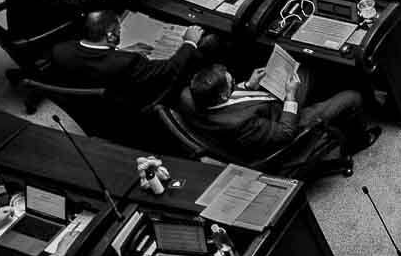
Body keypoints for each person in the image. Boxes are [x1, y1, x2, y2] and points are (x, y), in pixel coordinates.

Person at [181, 62, 376, 162]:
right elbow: (285, 133)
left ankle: (325, 101)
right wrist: (290, 95)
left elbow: (230, 100)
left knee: (302, 70)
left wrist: (248, 86)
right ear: (224, 96)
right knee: (352, 97)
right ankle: (358, 142)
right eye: (232, 83)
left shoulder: (190, 95)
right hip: (284, 125)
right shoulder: (241, 125)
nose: (234, 82)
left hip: (265, 108)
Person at [48, 10, 205, 104]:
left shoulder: (60, 49)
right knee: (207, 45)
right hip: (129, 103)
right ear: (110, 36)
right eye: (118, 29)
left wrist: (119, 52)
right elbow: (170, 69)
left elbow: (96, 60)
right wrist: (189, 41)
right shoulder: (127, 62)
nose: (120, 32)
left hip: (84, 101)